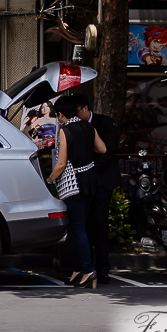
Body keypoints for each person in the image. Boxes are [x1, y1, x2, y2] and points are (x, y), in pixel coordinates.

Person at [46, 96, 106, 289]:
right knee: (81, 227)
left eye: (58, 115)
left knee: (78, 228)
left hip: (74, 185)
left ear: (61, 114)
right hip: (91, 181)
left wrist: (49, 179)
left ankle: (88, 271)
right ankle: (77, 271)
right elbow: (102, 149)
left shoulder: (66, 131)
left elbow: (62, 163)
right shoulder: (89, 127)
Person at [74, 94, 120, 284]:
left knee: (99, 223)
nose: (76, 116)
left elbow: (109, 152)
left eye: (77, 111)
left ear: (85, 108)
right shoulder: (75, 127)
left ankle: (103, 268)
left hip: (102, 180)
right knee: (85, 223)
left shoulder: (104, 123)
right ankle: (86, 266)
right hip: (85, 181)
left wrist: (89, 168)